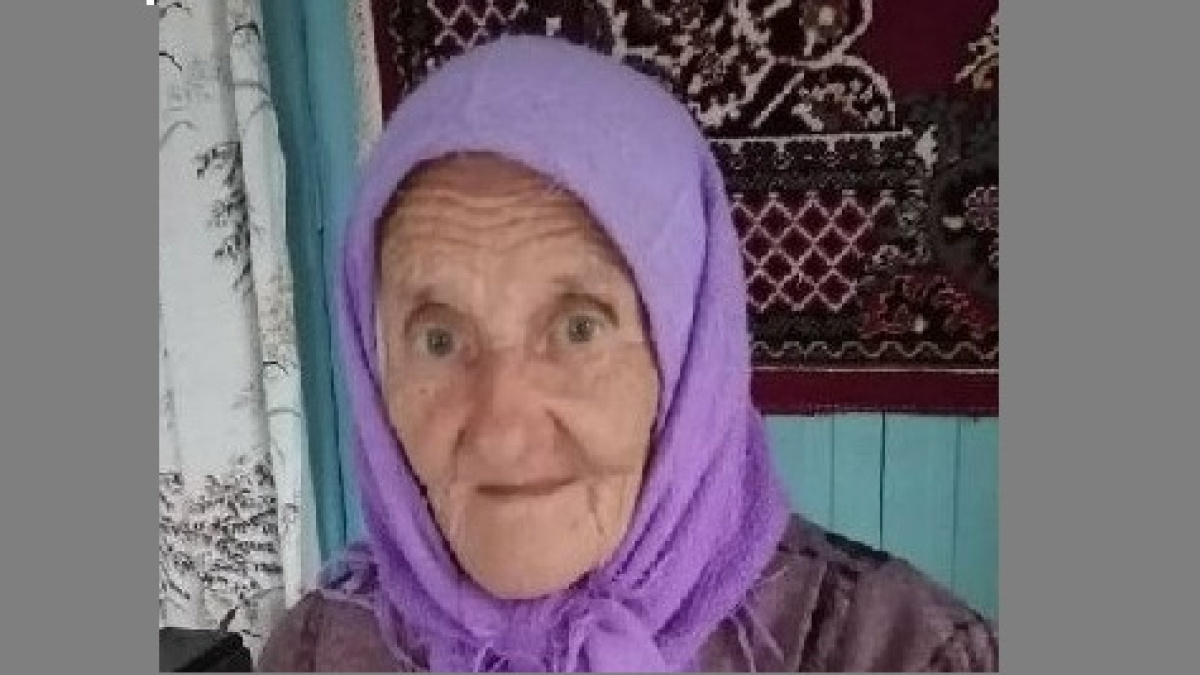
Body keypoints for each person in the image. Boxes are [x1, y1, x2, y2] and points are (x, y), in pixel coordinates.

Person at [258, 36, 997, 672]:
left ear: (691, 362)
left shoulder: (901, 654)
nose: (502, 430)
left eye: (578, 328)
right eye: (439, 340)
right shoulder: (317, 652)